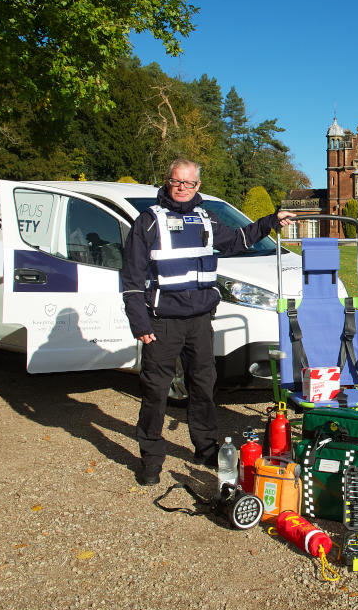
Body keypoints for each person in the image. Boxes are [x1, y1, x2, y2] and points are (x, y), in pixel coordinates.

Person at [121, 158, 294, 485]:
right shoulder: (148, 222)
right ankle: (151, 460)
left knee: (202, 387)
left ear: (198, 185)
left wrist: (270, 221)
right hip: (162, 323)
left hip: (200, 321)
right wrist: (140, 324)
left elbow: (239, 241)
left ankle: (205, 448)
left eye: (190, 183)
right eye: (177, 182)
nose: (183, 188)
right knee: (155, 391)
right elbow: (131, 279)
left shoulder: (206, 218)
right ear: (168, 181)